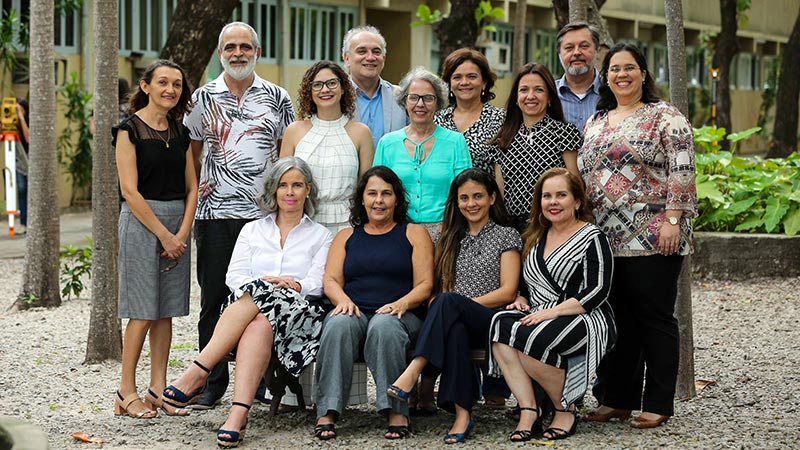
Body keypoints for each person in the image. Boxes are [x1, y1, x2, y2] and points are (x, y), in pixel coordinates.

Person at [163, 157, 332, 447]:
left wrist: (292, 284)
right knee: (258, 319)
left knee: (263, 297)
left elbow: (317, 282)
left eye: (297, 185)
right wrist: (265, 284)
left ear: (308, 190)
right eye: (283, 185)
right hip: (253, 315)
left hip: (298, 318)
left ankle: (198, 371)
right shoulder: (252, 230)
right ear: (273, 191)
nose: (289, 192)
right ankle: (237, 417)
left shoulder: (321, 235)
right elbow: (235, 276)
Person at [580, 43, 697, 429]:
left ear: (643, 74)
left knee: (655, 320)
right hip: (606, 238)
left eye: (629, 68)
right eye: (614, 69)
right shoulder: (596, 121)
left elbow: (682, 170)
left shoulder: (666, 116)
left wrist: (674, 220)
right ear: (606, 76)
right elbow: (586, 177)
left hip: (654, 235)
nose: (622, 75)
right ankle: (617, 399)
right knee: (619, 322)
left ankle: (658, 402)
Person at [184, 21, 294, 409]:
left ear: (257, 52)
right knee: (213, 297)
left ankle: (263, 379)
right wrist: (198, 194)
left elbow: (286, 154)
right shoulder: (201, 97)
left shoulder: (278, 98)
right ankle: (211, 382)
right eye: (230, 47)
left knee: (264, 297)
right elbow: (192, 154)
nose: (238, 53)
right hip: (214, 215)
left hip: (264, 217)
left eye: (245, 46)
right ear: (220, 53)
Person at [388, 168, 521, 444]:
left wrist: (459, 304)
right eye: (464, 198)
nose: (471, 204)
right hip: (455, 322)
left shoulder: (506, 235)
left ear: (492, 198)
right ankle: (462, 415)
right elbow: (436, 290)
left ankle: (414, 369)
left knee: (450, 304)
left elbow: (508, 291)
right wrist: (449, 304)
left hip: (492, 320)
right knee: (456, 327)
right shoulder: (448, 238)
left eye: (478, 196)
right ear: (456, 202)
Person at [488, 168, 615, 441]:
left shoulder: (592, 237)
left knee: (529, 339)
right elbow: (525, 283)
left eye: (561, 195)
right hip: (540, 312)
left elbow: (598, 291)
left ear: (577, 202)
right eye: (547, 196)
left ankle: (565, 408)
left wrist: (552, 312)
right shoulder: (534, 237)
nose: (553, 202)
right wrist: (521, 298)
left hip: (584, 315)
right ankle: (529, 409)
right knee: (500, 326)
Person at [313, 166, 433, 441]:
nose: (379, 200)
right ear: (362, 199)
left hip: (402, 314)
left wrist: (401, 303)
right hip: (356, 310)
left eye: (386, 194)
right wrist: (342, 301)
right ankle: (328, 410)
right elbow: (330, 279)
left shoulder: (414, 233)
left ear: (396, 200)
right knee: (338, 323)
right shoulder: (346, 236)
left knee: (383, 326)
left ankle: (396, 410)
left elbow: (425, 284)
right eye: (372, 194)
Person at [112, 60, 198, 419]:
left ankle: (158, 390)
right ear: (145, 86)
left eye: (177, 84)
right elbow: (129, 192)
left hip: (177, 224)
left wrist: (181, 233)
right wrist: (164, 234)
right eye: (163, 82)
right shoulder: (127, 130)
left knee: (165, 312)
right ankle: (125, 391)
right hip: (141, 223)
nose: (170, 89)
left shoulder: (180, 131)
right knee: (143, 311)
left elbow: (193, 186)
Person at [373, 67, 472, 239]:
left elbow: (465, 191)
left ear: (438, 102)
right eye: (413, 97)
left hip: (445, 232)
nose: (420, 104)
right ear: (404, 102)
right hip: (397, 232)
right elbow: (376, 190)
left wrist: (449, 228)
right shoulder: (387, 143)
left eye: (428, 98)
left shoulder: (455, 142)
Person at [279, 60, 374, 233]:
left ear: (343, 87)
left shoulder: (361, 133)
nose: (325, 90)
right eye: (317, 85)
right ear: (309, 91)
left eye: (332, 83)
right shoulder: (294, 131)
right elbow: (283, 185)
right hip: (303, 222)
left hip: (348, 224)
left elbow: (366, 187)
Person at [489, 62, 582, 232]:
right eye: (524, 90)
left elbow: (575, 183)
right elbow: (500, 193)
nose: (530, 96)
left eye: (538, 90)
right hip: (514, 229)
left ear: (549, 98)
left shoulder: (565, 133)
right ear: (516, 98)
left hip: (554, 225)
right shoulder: (503, 139)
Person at [435, 48, 505, 175]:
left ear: (484, 82)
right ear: (449, 83)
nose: (464, 82)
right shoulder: (437, 120)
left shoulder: (501, 120)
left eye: (471, 76)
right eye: (457, 77)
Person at [342, 25, 407, 146]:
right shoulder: (334, 97)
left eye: (376, 52)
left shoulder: (402, 97)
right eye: (362, 51)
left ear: (384, 58)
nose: (370, 57)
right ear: (347, 58)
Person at [555, 22, 602, 131]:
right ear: (559, 54)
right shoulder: (548, 95)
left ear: (597, 51)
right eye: (569, 48)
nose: (576, 52)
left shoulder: (613, 92)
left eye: (584, 46)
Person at [13, 98, 29, 234]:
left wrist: (21, 118)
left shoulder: (28, 121)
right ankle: (23, 223)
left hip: (30, 160)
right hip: (18, 162)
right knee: (22, 190)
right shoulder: (10, 123)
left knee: (30, 191)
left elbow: (29, 138)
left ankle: (30, 222)